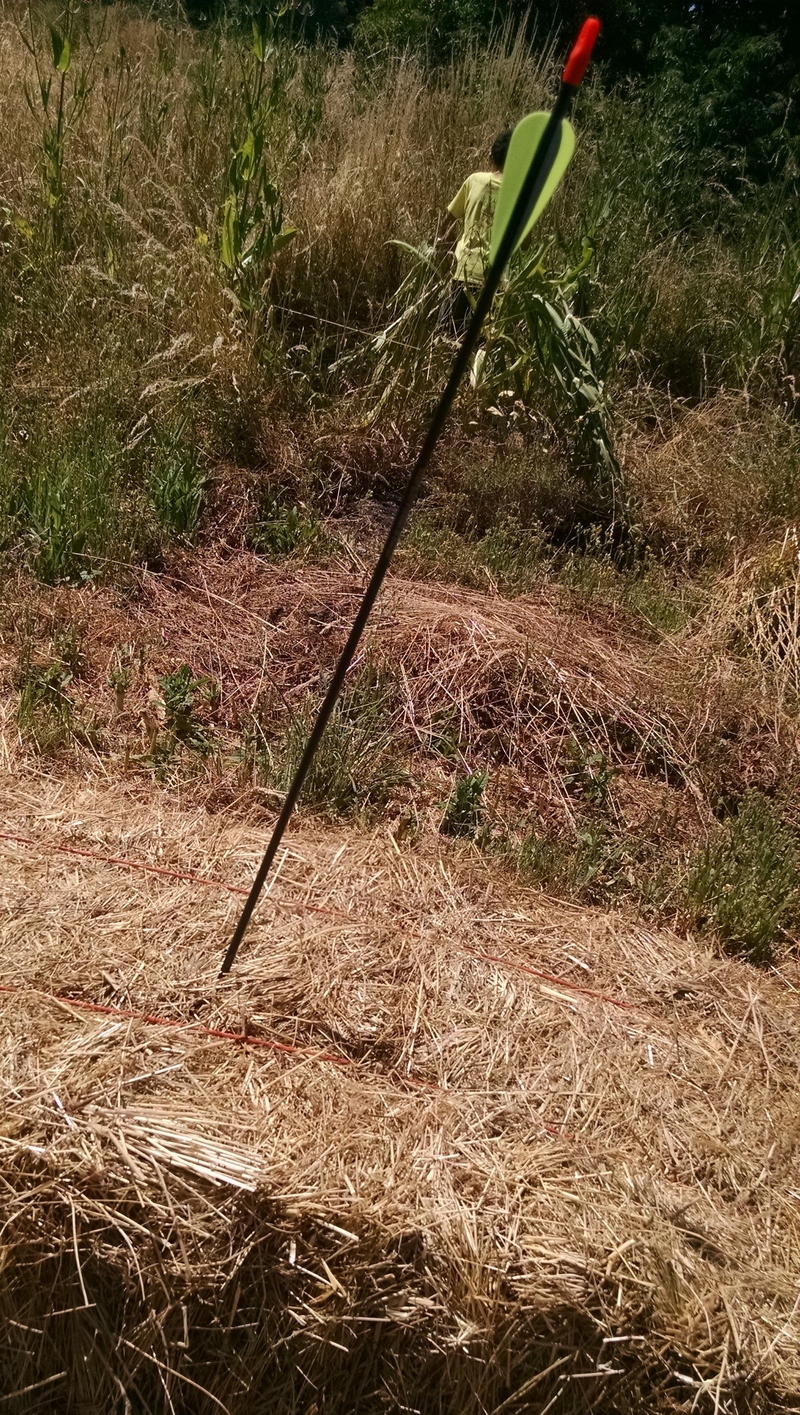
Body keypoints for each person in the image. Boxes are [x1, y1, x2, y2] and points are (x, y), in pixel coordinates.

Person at [440, 129, 512, 339]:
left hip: (465, 271)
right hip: (496, 281)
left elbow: (445, 223)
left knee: (446, 336)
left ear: (491, 158)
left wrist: (449, 244)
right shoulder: (518, 193)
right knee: (480, 345)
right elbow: (525, 243)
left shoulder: (474, 181)